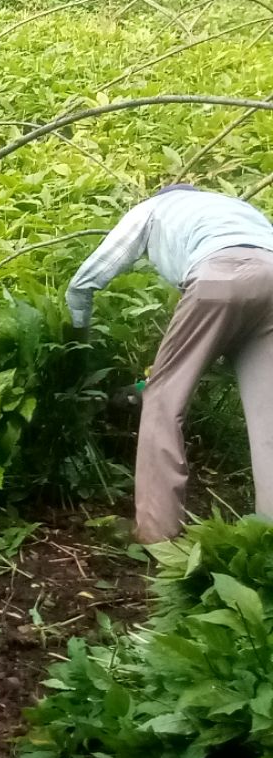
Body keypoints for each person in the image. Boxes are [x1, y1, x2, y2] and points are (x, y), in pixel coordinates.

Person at [66, 184, 273, 544]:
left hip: (216, 276)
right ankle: (266, 538)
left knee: (161, 402)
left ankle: (156, 534)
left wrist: (77, 349)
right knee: (267, 413)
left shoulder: (151, 210)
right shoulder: (237, 210)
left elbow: (84, 284)